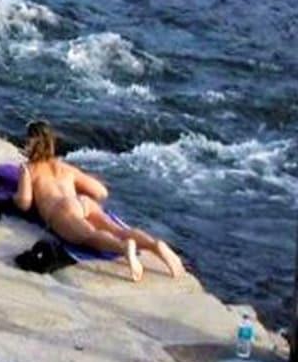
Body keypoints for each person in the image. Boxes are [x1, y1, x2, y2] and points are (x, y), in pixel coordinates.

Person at [15, 120, 185, 282]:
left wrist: (15, 198)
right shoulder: (64, 167)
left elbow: (24, 202)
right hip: (82, 202)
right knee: (117, 230)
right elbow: (100, 192)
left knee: (89, 236)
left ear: (30, 143)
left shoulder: (28, 169)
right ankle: (154, 245)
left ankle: (123, 247)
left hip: (60, 209)